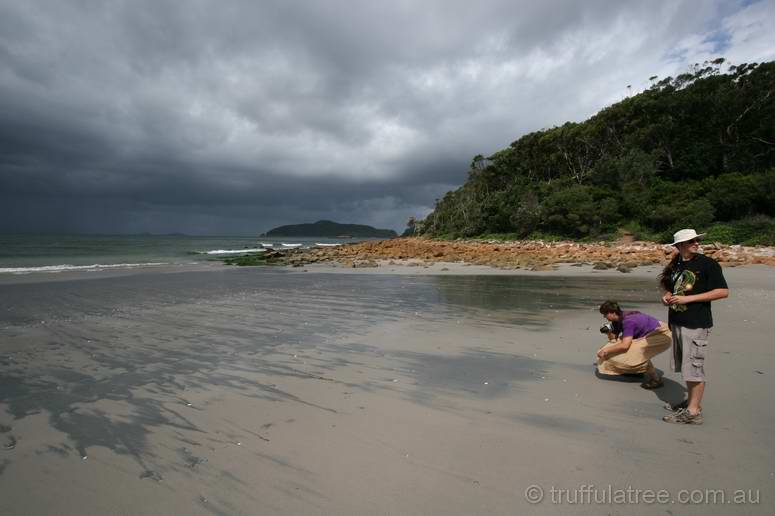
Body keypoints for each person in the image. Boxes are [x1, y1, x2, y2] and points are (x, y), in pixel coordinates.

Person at [659, 228, 729, 425]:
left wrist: (688, 299)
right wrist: (666, 296)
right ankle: (691, 403)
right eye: (692, 241)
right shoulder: (676, 264)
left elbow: (722, 292)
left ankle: (693, 412)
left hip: (696, 323)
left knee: (694, 368)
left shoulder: (708, 264)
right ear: (680, 246)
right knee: (686, 367)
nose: (697, 243)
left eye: (697, 240)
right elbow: (668, 286)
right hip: (678, 322)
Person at [595, 301, 672, 388]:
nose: (604, 316)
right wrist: (608, 332)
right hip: (647, 334)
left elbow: (625, 346)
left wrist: (605, 351)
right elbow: (613, 340)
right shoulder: (617, 320)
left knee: (637, 352)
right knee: (612, 348)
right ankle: (637, 371)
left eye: (605, 314)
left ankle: (656, 380)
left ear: (612, 312)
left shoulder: (628, 321)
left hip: (661, 334)